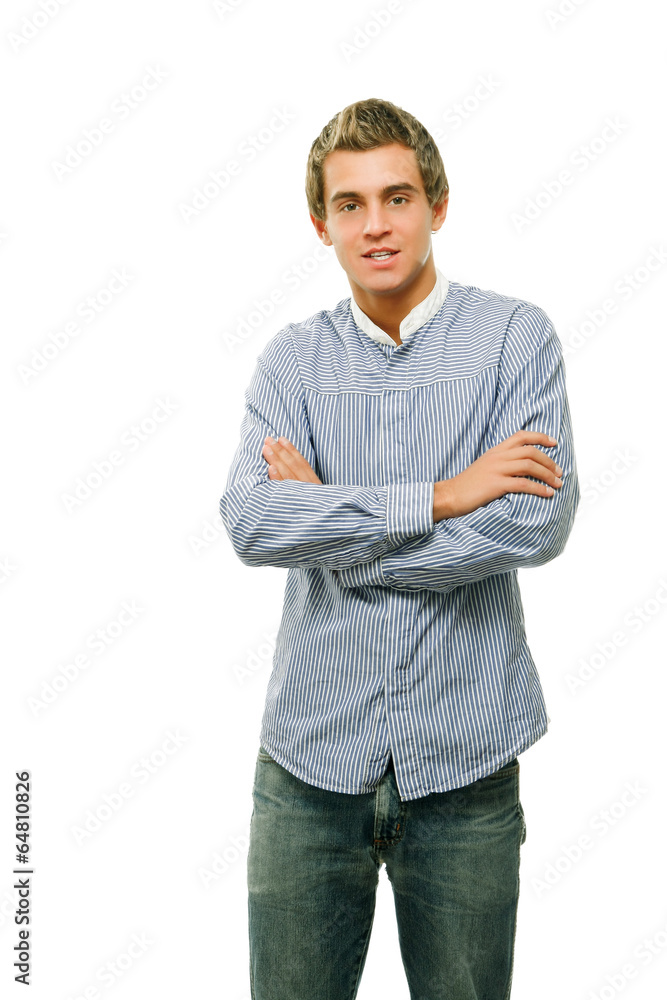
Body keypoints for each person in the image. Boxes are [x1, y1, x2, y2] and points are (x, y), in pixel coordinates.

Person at [219, 97, 580, 1000]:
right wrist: (444, 496)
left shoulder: (514, 340)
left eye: (397, 197)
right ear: (322, 224)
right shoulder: (292, 362)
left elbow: (534, 523)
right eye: (350, 204)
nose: (375, 224)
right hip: (307, 770)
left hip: (465, 766)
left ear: (437, 206)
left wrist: (334, 532)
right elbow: (253, 522)